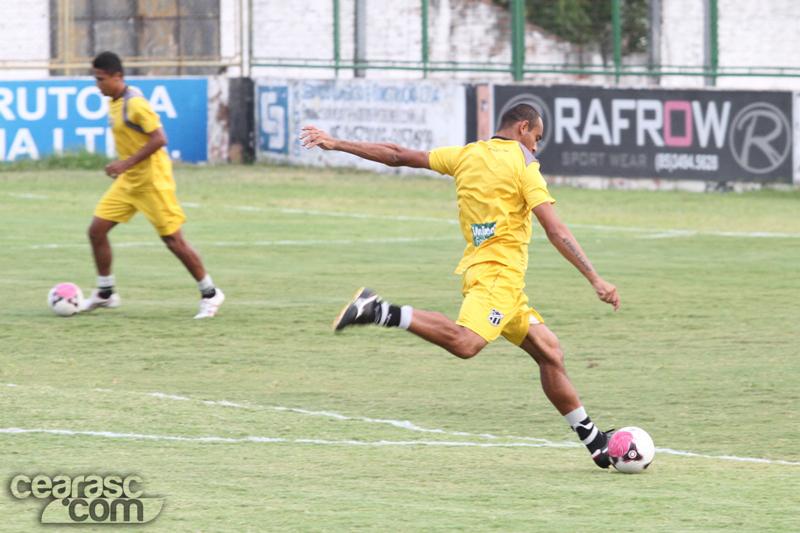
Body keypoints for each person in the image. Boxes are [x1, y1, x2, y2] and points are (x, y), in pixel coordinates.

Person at [299, 103, 620, 468]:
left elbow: (397, 155)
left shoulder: (467, 154)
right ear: (523, 128)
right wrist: (595, 277)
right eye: (536, 139)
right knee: (467, 343)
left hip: (496, 279)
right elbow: (555, 229)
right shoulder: (524, 164)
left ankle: (595, 442)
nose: (536, 148)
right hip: (497, 276)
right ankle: (378, 310)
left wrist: (337, 143)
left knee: (550, 352)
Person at [82, 51, 224, 318]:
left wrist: (124, 164)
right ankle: (105, 293)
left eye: (101, 79)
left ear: (117, 76)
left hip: (153, 182)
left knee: (173, 241)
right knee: (96, 231)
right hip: (129, 183)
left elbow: (160, 138)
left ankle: (211, 293)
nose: (96, 84)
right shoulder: (114, 100)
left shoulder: (134, 103)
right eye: (95, 79)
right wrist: (126, 168)